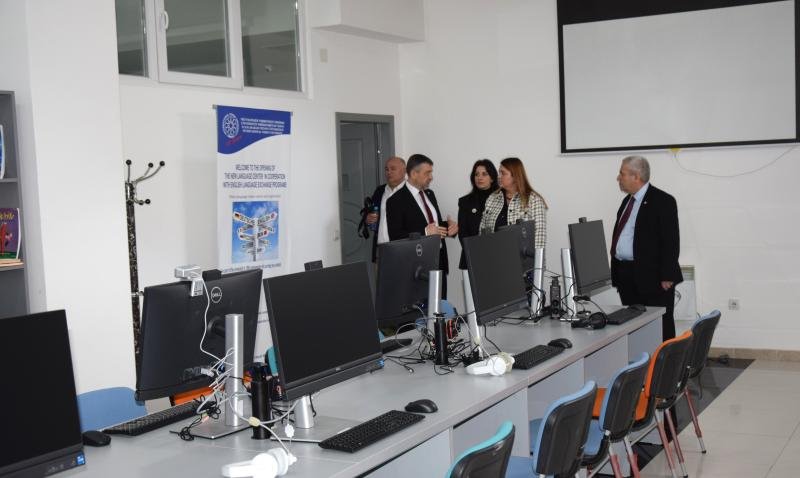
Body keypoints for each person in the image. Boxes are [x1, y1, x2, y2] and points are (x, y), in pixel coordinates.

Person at [610, 155, 682, 340]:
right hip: (627, 276)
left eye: (622, 174)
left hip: (654, 279)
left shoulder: (663, 201)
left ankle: (665, 358)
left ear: (636, 176)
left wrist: (667, 275)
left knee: (660, 326)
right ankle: (640, 358)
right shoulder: (627, 201)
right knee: (633, 326)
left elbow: (671, 240)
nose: (618, 178)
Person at [386, 153, 458, 297]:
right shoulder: (395, 201)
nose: (431, 177)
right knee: (422, 308)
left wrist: (450, 228)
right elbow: (395, 236)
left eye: (431, 172)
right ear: (413, 174)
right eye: (427, 173)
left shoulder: (430, 194)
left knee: (440, 306)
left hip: (439, 262)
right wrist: (424, 233)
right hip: (417, 267)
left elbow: (434, 225)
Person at [479, 157, 547, 251]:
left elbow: (539, 237)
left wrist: (535, 260)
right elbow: (482, 232)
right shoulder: (492, 198)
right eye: (499, 173)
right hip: (494, 256)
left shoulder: (534, 200)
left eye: (503, 173)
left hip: (523, 258)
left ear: (515, 176)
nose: (499, 176)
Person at [457, 159, 498, 269]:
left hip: (496, 258)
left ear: (492, 178)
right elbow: (463, 234)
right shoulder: (465, 202)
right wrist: (475, 253)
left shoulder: (501, 200)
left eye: (484, 174)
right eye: (477, 174)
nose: (480, 178)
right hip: (471, 258)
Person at [365, 156, 406, 262]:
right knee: (379, 273)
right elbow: (370, 213)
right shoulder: (380, 191)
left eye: (393, 169)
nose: (389, 172)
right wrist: (368, 219)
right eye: (386, 169)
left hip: (404, 250)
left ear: (404, 171)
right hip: (381, 250)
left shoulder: (411, 192)